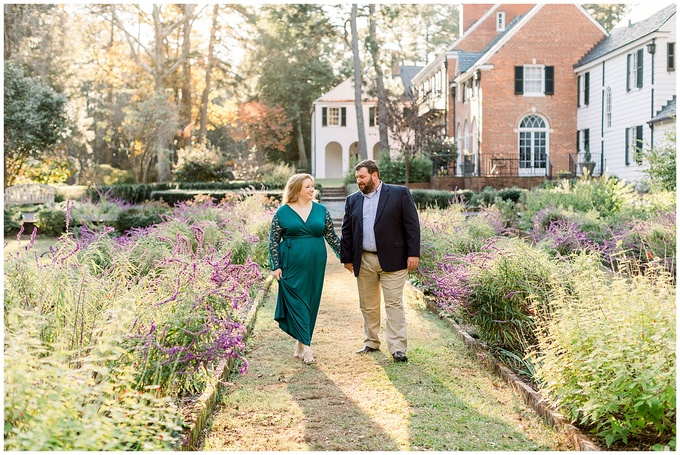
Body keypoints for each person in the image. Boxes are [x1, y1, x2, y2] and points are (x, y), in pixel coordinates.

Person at [340, 159, 420, 363]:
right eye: (357, 177)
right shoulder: (352, 200)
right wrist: (347, 258)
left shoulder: (399, 193)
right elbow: (347, 231)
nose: (359, 181)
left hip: (394, 259)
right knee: (368, 305)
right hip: (364, 259)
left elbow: (412, 225)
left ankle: (398, 348)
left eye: (362, 177)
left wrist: (413, 253)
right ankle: (371, 342)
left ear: (374, 175)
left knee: (393, 304)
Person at [269, 173, 341, 365]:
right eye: (307, 186)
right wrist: (275, 265)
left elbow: (331, 237)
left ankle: (301, 341)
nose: (312, 189)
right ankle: (307, 347)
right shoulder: (282, 212)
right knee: (297, 301)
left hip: (316, 261)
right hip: (291, 263)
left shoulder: (321, 210)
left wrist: (347, 257)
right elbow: (273, 241)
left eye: (312, 186)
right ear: (297, 189)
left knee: (311, 301)